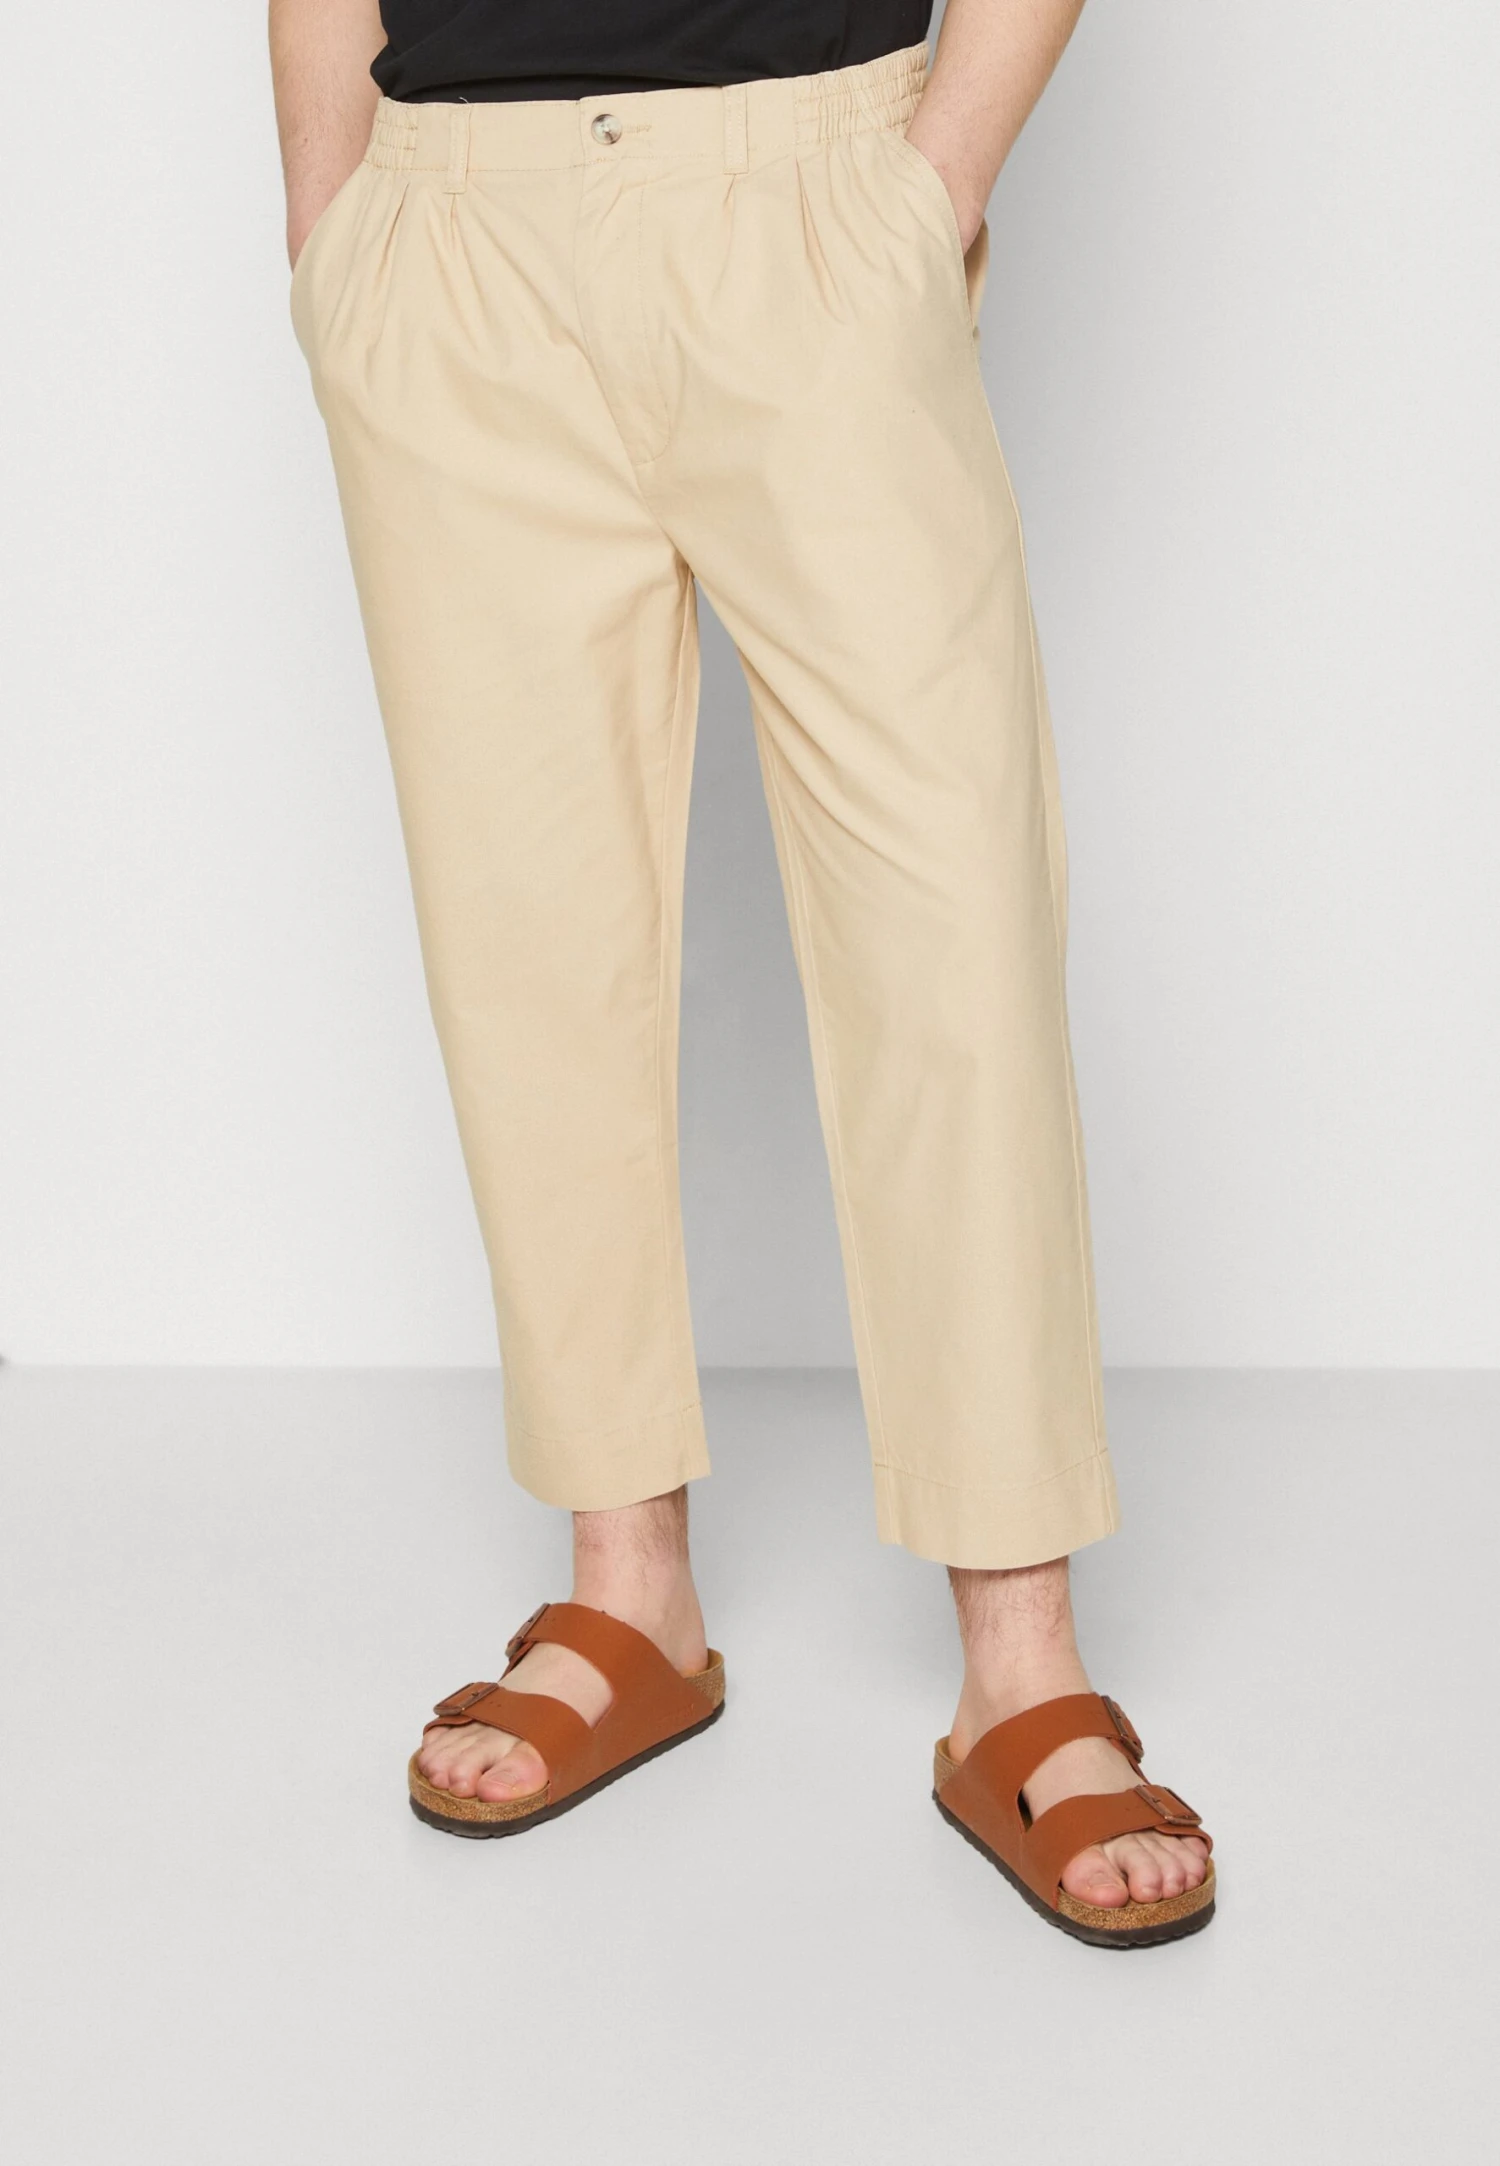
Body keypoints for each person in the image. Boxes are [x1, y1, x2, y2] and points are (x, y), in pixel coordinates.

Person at [271, 0, 1214, 1946]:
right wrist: (334, 234)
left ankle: (1022, 1660)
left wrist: (933, 180)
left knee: (949, 931)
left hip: (811, 182)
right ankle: (628, 1591)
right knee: (526, 938)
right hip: (449, 219)